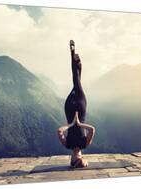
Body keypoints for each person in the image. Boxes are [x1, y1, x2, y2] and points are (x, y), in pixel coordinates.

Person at [58, 40, 95, 168]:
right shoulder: (85, 144)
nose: (77, 155)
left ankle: (75, 59)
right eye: (79, 157)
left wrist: (71, 124)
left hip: (69, 109)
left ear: (72, 158)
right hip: (81, 107)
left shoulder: (67, 144)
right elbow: (92, 130)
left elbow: (59, 131)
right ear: (81, 156)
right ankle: (74, 58)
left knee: (76, 81)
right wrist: (80, 124)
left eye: (75, 158)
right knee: (77, 83)